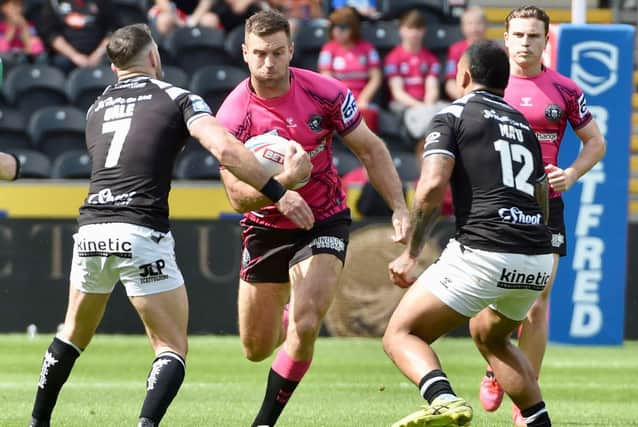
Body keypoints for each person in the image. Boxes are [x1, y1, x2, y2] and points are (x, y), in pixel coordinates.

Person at [27, 22, 314, 427]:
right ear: (155, 57)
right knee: (171, 347)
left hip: (91, 229)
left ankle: (37, 421)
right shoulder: (177, 97)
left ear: (113, 67)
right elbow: (224, 149)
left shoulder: (96, 108)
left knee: (72, 331)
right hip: (140, 230)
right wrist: (278, 189)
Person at [216, 10, 410, 427]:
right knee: (256, 348)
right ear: (245, 53)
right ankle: (286, 309)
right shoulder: (233, 115)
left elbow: (371, 150)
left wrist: (399, 205)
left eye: (278, 53)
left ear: (292, 51)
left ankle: (264, 421)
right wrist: (284, 184)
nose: (269, 64)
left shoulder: (325, 93)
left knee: (305, 325)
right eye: (261, 54)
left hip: (323, 219)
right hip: (265, 227)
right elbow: (236, 198)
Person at [383, 40, 554, 427]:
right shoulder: (523, 124)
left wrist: (412, 252)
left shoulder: (452, 115)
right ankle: (538, 421)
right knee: (491, 336)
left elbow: (431, 187)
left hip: (485, 249)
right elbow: (542, 191)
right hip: (537, 256)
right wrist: (530, 237)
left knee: (402, 333)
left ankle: (442, 399)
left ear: (463, 74)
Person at [478, 7, 606, 425]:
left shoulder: (565, 89)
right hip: (494, 205)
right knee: (488, 293)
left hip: (545, 204)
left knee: (537, 304)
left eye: (534, 36)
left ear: (546, 40)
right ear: (507, 38)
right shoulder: (490, 87)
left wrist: (570, 173)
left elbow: (595, 143)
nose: (525, 43)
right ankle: (495, 365)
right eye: (518, 35)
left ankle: (523, 399)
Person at [383, 9, 447, 144]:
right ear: (401, 30)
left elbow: (432, 88)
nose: (413, 33)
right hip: (403, 105)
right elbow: (397, 92)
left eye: (418, 28)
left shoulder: (431, 58)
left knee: (449, 111)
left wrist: (427, 106)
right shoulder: (393, 57)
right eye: (409, 28)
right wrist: (420, 107)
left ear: (423, 31)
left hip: (426, 103)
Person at [319, 6, 382, 132]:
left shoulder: (367, 48)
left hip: (363, 98)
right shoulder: (328, 49)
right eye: (334, 27)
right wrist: (344, 103)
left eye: (342, 27)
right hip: (338, 100)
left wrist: (364, 99)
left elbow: (376, 78)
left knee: (368, 115)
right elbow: (326, 79)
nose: (337, 31)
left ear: (353, 28)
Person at [35, 0, 120, 72]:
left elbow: (114, 30)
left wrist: (97, 55)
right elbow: (51, 34)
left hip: (100, 53)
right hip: (67, 55)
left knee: (114, 62)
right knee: (59, 62)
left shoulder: (101, 2)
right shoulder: (54, 2)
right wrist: (74, 56)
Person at [443, 6, 487, 100]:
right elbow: (450, 82)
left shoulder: (494, 49)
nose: (474, 28)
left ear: (486, 26)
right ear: (463, 27)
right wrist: (464, 98)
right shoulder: (455, 49)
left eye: (479, 23)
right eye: (470, 24)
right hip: (463, 97)